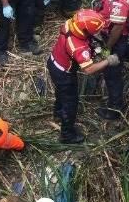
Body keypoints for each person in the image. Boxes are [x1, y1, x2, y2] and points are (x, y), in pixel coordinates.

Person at [47, 9, 120, 143]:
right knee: (70, 102)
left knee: (60, 92)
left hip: (54, 61)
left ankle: (58, 112)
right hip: (64, 73)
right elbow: (89, 69)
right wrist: (107, 61)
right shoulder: (78, 47)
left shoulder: (71, 24)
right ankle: (67, 134)